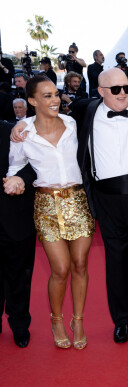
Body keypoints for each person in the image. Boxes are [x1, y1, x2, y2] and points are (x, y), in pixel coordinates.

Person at [13, 69, 128, 347]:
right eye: (115, 89)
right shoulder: (83, 113)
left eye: (126, 87)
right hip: (107, 201)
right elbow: (48, 113)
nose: (123, 93)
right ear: (100, 92)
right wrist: (22, 124)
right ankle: (122, 321)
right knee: (116, 264)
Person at [8, 75, 95, 350]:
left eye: (55, 94)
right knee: (60, 268)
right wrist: (16, 179)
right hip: (46, 205)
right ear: (32, 101)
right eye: (46, 96)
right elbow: (14, 168)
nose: (55, 99)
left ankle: (77, 319)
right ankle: (56, 319)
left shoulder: (71, 123)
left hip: (77, 200)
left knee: (80, 264)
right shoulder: (23, 134)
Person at [1, 120, 37, 348]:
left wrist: (20, 178)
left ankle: (20, 323)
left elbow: (37, 162)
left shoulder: (12, 130)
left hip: (15, 214)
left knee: (19, 275)